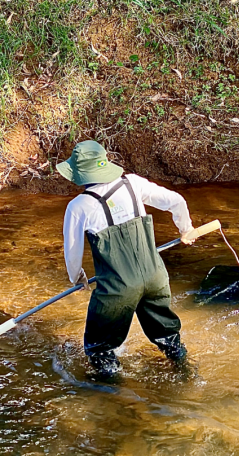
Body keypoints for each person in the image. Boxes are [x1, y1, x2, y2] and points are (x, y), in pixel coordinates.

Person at [57, 140, 199, 377]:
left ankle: (116, 401)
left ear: (80, 173)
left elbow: (73, 252)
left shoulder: (78, 206)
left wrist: (77, 278)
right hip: (155, 276)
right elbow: (177, 201)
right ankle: (186, 373)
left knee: (100, 348)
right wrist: (186, 230)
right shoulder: (133, 183)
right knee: (167, 336)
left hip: (117, 287)